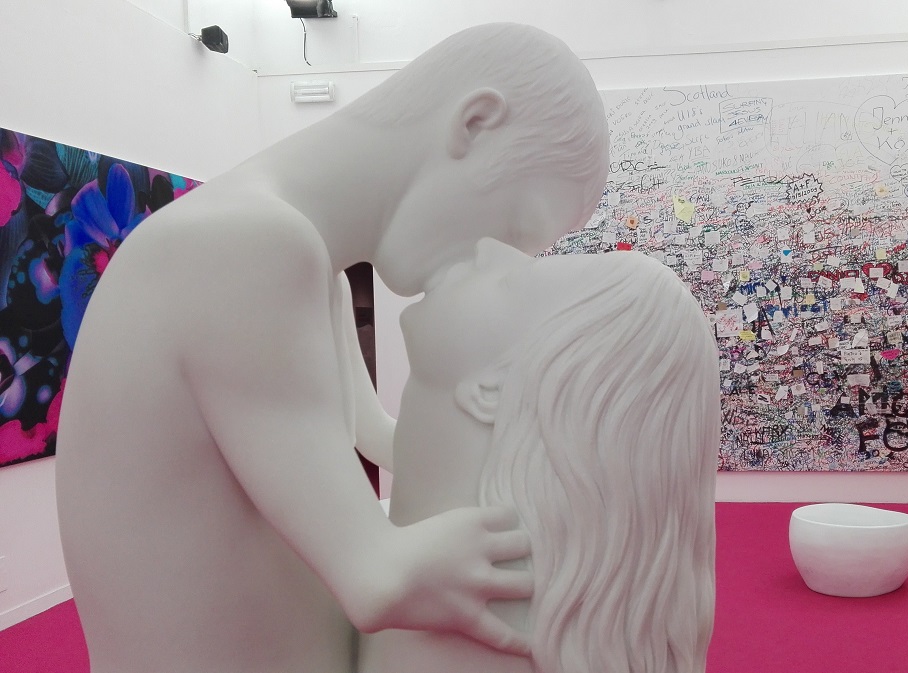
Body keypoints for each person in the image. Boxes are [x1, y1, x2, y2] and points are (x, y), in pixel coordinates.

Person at [54, 23, 608, 673]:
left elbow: (379, 438)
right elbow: (376, 573)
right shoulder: (249, 245)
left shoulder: (309, 271)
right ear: (475, 123)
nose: (486, 264)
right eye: (511, 228)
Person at [359, 238, 720, 673]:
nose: (487, 247)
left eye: (510, 283)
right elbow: (372, 432)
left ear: (493, 390)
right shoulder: (508, 505)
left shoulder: (487, 580)